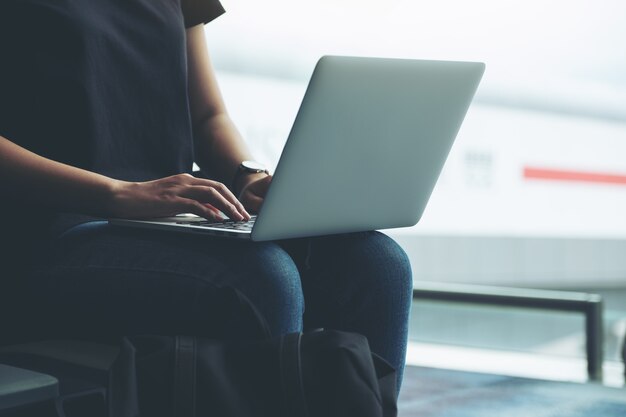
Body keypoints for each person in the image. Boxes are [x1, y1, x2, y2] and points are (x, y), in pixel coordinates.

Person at [0, 0, 413, 394]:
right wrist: (117, 194)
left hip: (168, 219)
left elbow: (208, 117)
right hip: (49, 227)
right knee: (261, 278)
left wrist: (247, 176)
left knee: (376, 264)